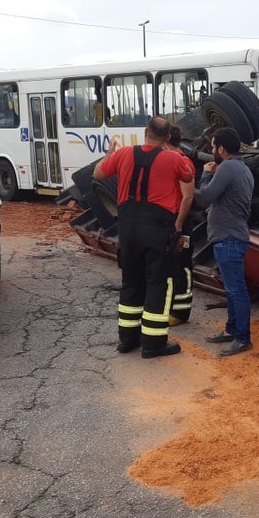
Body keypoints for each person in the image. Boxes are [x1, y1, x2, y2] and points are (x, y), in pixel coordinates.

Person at [92, 117, 195, 358]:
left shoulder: (124, 154)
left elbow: (98, 174)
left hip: (128, 228)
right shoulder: (174, 159)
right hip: (158, 229)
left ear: (145, 132)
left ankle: (127, 340)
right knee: (157, 284)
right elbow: (188, 177)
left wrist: (109, 155)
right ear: (168, 137)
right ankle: (153, 344)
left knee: (131, 283)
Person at [198, 127, 254, 356]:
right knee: (232, 290)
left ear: (221, 149)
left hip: (229, 238)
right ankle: (232, 330)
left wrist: (206, 174)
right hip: (232, 236)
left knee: (236, 290)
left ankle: (242, 338)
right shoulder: (242, 168)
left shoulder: (228, 167)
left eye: (213, 146)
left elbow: (206, 197)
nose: (211, 151)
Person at [164, 125, 195, 326]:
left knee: (181, 267)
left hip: (179, 221)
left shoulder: (183, 162)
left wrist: (178, 224)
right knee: (172, 266)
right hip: (173, 219)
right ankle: (173, 307)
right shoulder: (174, 161)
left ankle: (181, 312)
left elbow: (187, 197)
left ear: (166, 142)